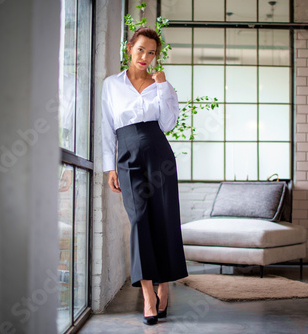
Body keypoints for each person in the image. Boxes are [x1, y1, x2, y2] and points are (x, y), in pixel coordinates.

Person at [101, 27, 188, 326]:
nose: (145, 57)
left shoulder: (161, 84)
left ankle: (163, 287)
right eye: (141, 50)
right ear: (129, 49)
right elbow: (106, 128)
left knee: (164, 218)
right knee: (139, 220)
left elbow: (168, 123)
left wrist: (163, 87)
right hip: (127, 157)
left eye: (151, 53)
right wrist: (109, 167)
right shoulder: (111, 85)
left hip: (159, 154)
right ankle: (148, 295)